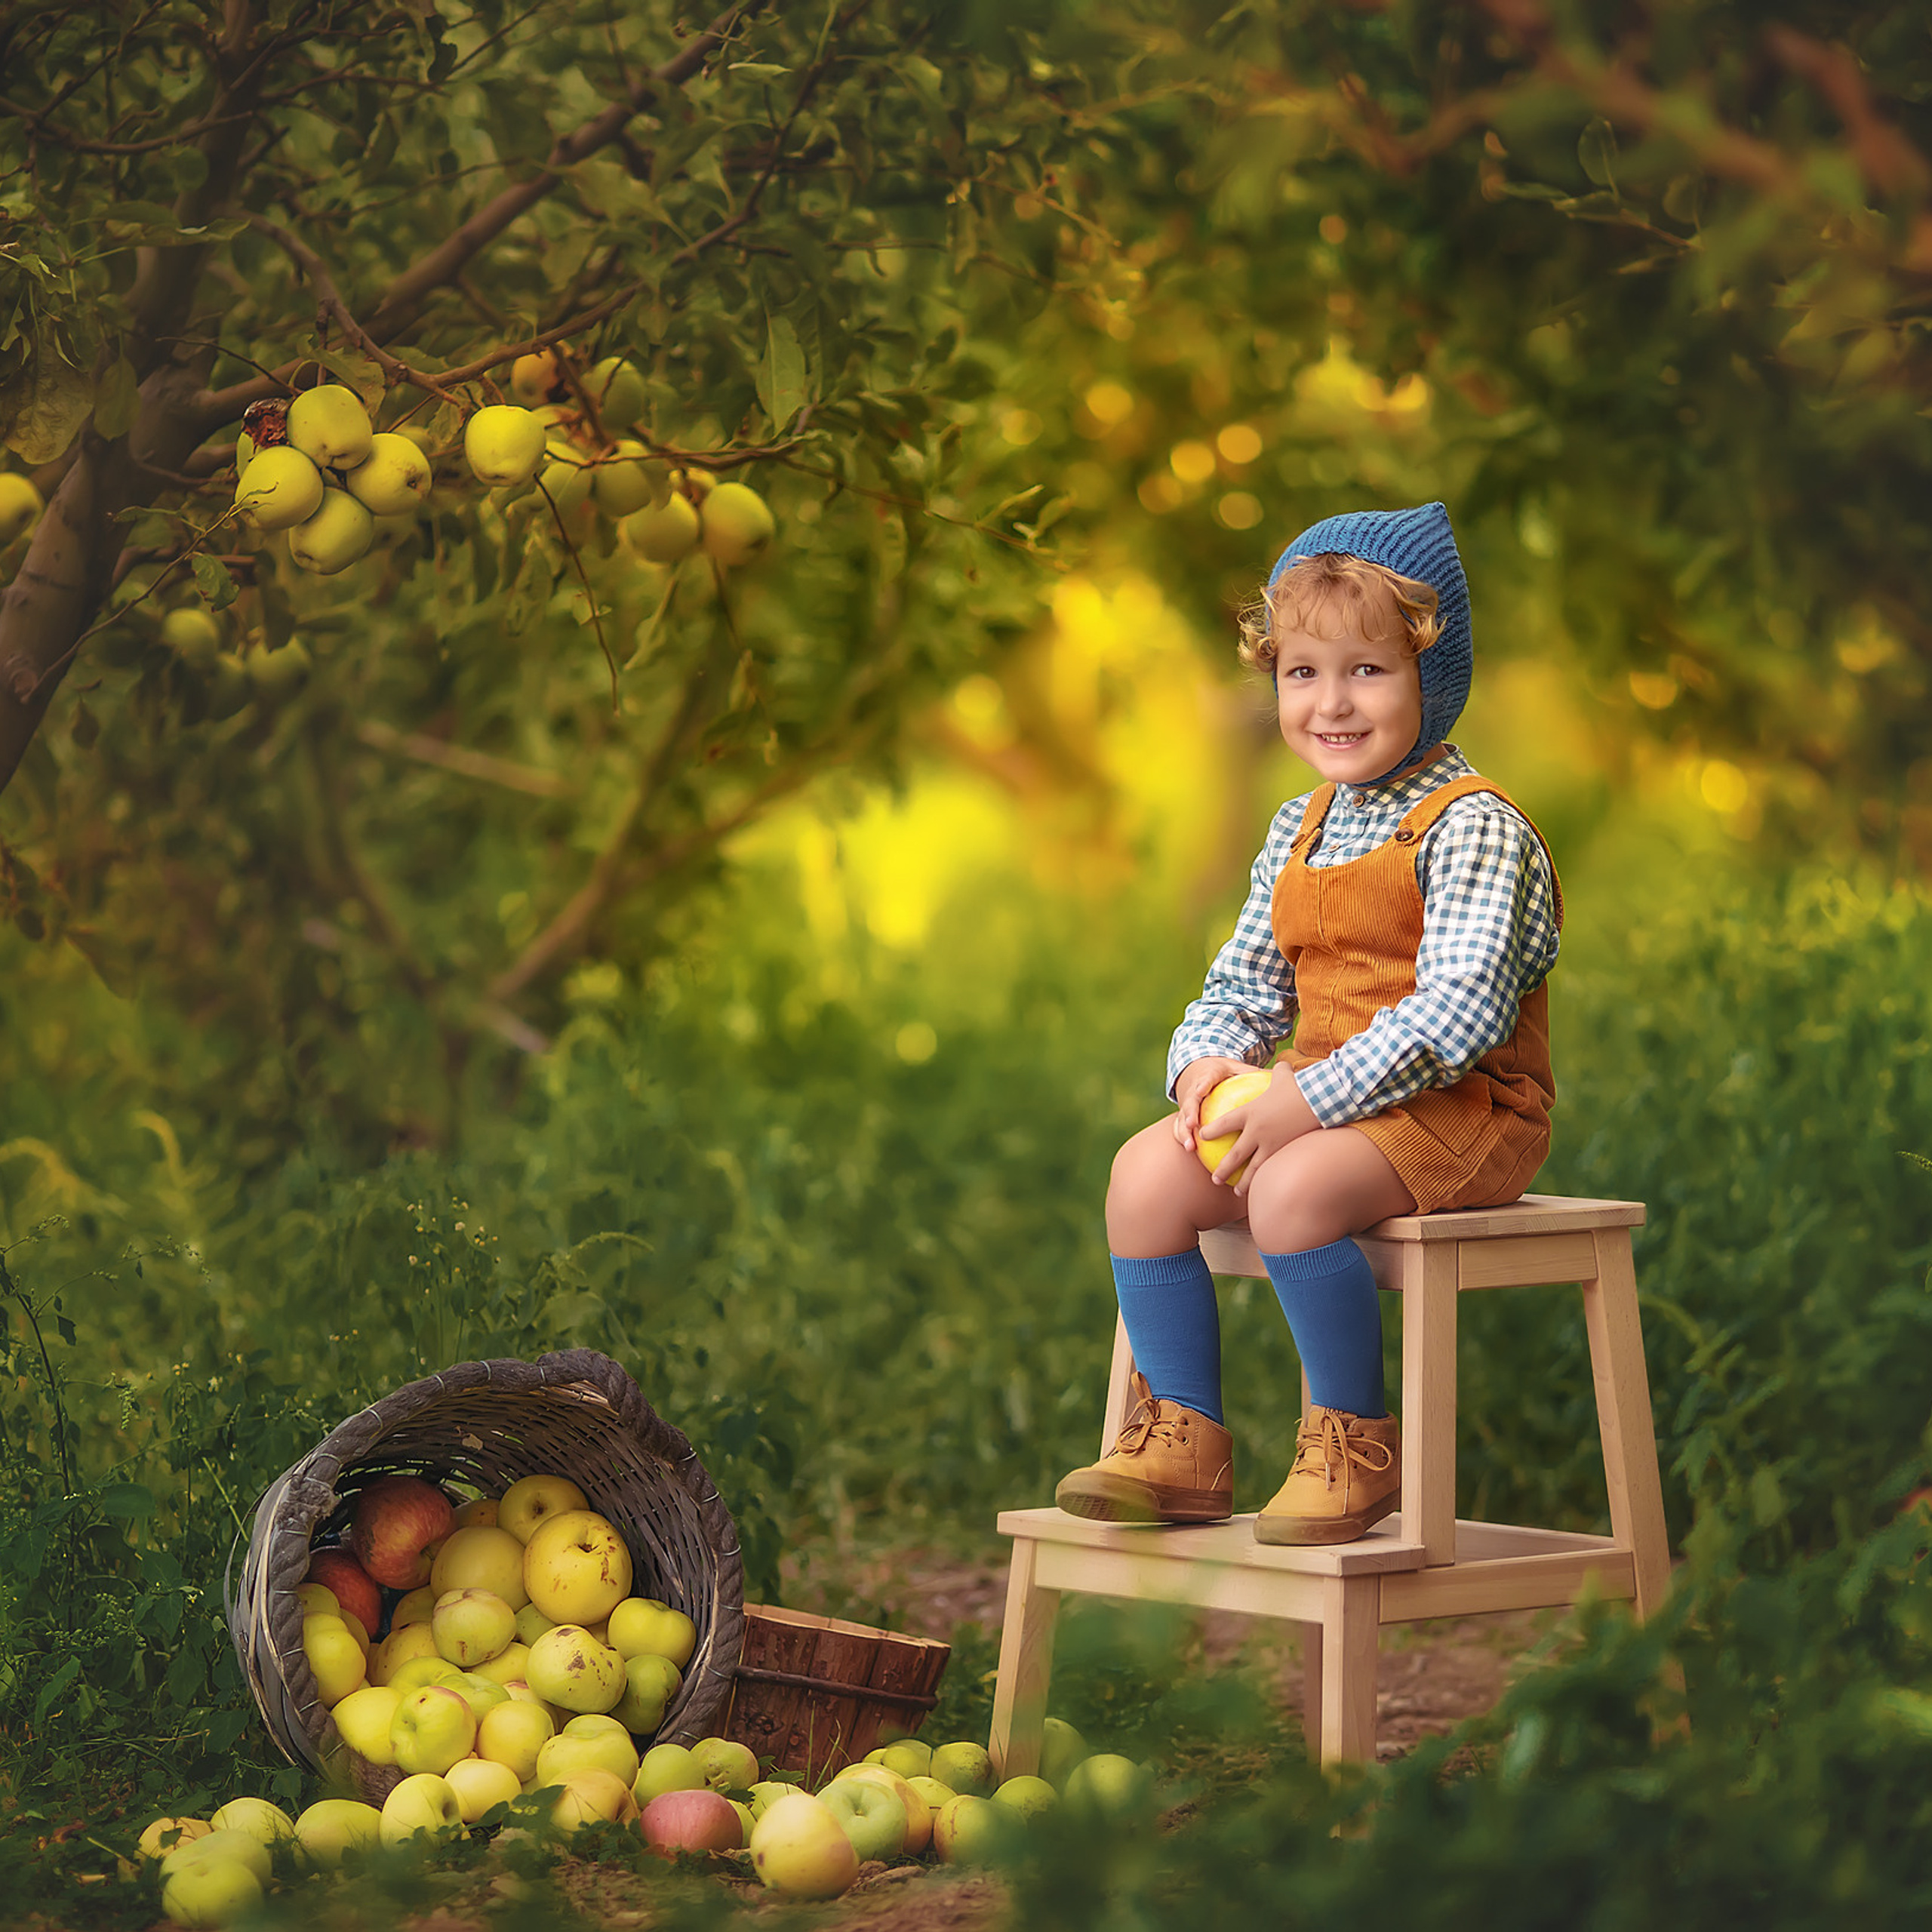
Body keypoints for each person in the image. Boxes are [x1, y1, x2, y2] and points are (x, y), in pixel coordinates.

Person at [1054, 502, 1562, 1546]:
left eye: (1367, 672)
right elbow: (1243, 983)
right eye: (1302, 673)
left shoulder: (1474, 827)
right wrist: (1205, 1062)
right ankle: (1185, 1438)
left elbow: (1461, 1011)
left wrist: (1305, 1099)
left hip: (1464, 1113)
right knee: (1142, 1177)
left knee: (1290, 1189)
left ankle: (1353, 1445)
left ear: (1433, 672)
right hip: (1321, 1105)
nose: (1332, 703)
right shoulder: (1302, 824)